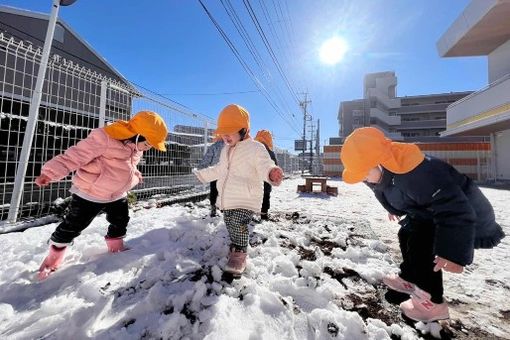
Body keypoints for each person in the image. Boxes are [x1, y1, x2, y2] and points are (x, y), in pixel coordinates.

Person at [340, 127, 505, 322]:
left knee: (421, 245)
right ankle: (410, 279)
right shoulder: (389, 172)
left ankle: (432, 303)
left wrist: (453, 252)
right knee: (406, 234)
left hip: (467, 217)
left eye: (364, 174)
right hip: (432, 213)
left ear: (380, 163)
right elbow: (395, 193)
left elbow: (454, 207)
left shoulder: (417, 171)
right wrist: (393, 208)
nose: (363, 180)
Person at [35, 111, 168, 280]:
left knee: (120, 221)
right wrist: (50, 173)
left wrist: (135, 174)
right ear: (136, 135)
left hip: (117, 194)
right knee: (73, 225)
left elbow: (128, 165)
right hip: (91, 193)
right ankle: (52, 260)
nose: (148, 149)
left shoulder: (135, 147)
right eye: (148, 144)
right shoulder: (103, 138)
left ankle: (116, 246)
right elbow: (74, 156)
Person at [194, 104, 284, 276]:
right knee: (230, 223)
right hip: (228, 198)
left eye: (230, 131)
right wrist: (203, 175)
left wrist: (271, 172)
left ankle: (240, 253)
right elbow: (220, 169)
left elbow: (264, 164)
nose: (225, 135)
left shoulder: (256, 147)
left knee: (238, 223)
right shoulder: (225, 150)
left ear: (244, 130)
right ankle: (236, 243)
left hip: (246, 198)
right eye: (223, 131)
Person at [197, 138, 225, 217]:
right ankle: (225, 208)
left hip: (214, 173)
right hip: (227, 173)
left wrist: (201, 169)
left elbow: (207, 159)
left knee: (214, 191)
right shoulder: (233, 145)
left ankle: (213, 208)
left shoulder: (214, 146)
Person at [254, 130, 278, 221]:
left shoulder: (254, 149)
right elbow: (275, 165)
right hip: (267, 178)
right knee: (266, 195)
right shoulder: (270, 152)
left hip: (255, 178)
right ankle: (264, 214)